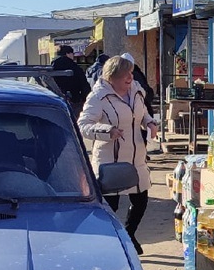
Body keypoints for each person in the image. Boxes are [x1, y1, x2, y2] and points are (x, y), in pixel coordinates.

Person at [78, 55, 159, 255]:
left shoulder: (137, 90)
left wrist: (149, 122)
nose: (129, 78)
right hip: (110, 160)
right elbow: (83, 125)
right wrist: (107, 130)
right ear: (112, 77)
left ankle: (129, 235)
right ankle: (108, 242)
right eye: (125, 75)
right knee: (110, 206)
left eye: (130, 73)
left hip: (137, 157)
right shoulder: (98, 96)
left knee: (141, 200)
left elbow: (142, 113)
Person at [50, 44, 91, 118]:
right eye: (72, 53)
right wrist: (86, 98)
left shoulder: (52, 67)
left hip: (56, 100)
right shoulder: (74, 66)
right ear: (67, 54)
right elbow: (83, 84)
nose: (73, 56)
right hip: (74, 98)